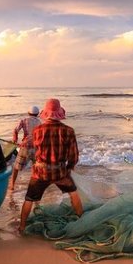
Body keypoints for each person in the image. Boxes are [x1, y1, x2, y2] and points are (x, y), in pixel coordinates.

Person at [18, 98, 84, 233]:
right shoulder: (69, 131)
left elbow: (31, 151)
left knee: (29, 199)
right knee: (73, 194)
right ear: (59, 114)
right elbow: (74, 156)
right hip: (60, 171)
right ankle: (81, 221)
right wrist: (68, 169)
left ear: (45, 114)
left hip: (40, 172)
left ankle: (22, 227)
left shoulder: (37, 131)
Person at [9, 105, 42, 190]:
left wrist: (15, 140)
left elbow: (15, 130)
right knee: (35, 167)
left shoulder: (24, 120)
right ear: (37, 114)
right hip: (36, 148)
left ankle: (12, 185)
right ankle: (35, 185)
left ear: (28, 113)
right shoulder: (39, 123)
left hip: (25, 146)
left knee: (16, 167)